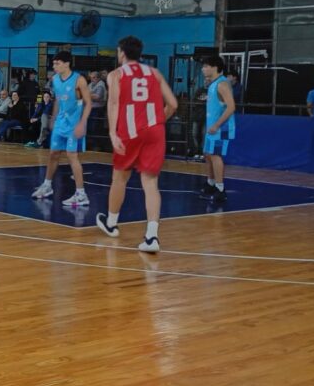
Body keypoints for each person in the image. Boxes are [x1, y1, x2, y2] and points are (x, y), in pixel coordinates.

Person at [96, 35, 178, 253]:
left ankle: (111, 223)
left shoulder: (116, 75)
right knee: (150, 183)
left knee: (120, 178)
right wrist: (157, 121)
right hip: (155, 132)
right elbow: (173, 104)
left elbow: (113, 103)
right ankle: (152, 236)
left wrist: (112, 133)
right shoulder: (155, 73)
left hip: (130, 132)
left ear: (122, 53)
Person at [31, 51, 92, 207]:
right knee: (53, 154)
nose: (54, 66)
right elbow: (58, 100)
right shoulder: (55, 80)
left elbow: (88, 103)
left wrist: (82, 123)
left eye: (57, 63)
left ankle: (81, 194)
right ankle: (47, 185)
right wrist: (53, 118)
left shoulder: (79, 80)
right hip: (60, 122)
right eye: (53, 63)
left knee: (72, 156)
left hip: (74, 124)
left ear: (67, 64)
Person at [198, 55, 236, 203]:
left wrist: (217, 125)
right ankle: (211, 183)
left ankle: (220, 189)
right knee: (208, 154)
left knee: (215, 155)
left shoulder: (222, 84)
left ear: (214, 67)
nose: (203, 69)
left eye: (206, 66)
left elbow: (231, 107)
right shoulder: (214, 83)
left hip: (221, 127)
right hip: (213, 126)